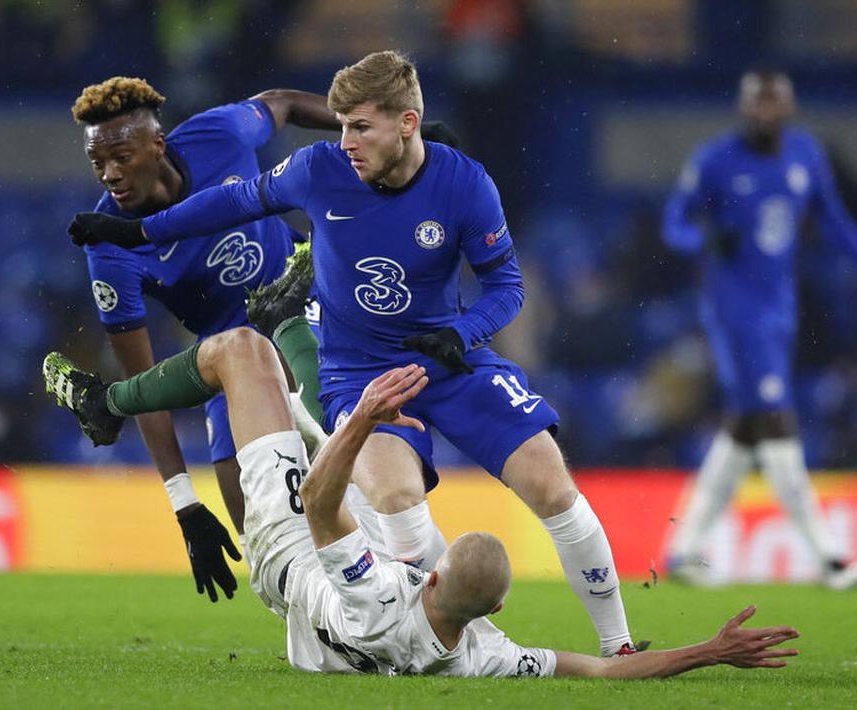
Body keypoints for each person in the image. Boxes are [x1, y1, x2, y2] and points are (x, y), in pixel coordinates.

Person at [63, 51, 642, 656]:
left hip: (445, 356)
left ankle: (619, 644)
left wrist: (463, 335)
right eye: (339, 125)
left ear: (408, 123)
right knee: (389, 499)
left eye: (359, 127)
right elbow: (239, 199)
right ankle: (459, 646)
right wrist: (140, 233)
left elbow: (507, 286)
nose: (344, 142)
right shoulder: (318, 168)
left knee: (552, 485)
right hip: (355, 371)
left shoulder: (465, 182)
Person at [41, 329, 800, 677]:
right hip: (340, 575)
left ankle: (109, 402)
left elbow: (315, 499)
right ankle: (306, 335)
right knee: (341, 425)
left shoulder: (378, 594)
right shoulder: (485, 658)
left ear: (433, 577)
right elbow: (602, 675)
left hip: (289, 551)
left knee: (242, 351)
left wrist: (365, 417)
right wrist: (707, 653)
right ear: (487, 613)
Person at [69, 76, 343, 603]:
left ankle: (390, 573)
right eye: (98, 164)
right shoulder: (109, 247)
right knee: (246, 512)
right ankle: (313, 616)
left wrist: (359, 125)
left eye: (121, 157)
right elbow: (143, 386)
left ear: (158, 144)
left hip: (308, 294)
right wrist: (184, 506)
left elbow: (281, 102)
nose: (110, 175)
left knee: (324, 413)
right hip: (229, 350)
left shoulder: (218, 134)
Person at [661, 68, 857, 589]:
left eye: (775, 104)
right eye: (757, 103)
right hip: (733, 311)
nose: (766, 112)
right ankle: (830, 557)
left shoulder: (805, 155)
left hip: (779, 309)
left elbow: (831, 218)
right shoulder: (715, 160)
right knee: (775, 419)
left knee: (746, 428)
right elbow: (673, 222)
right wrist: (703, 242)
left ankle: (683, 550)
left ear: (786, 108)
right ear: (744, 107)